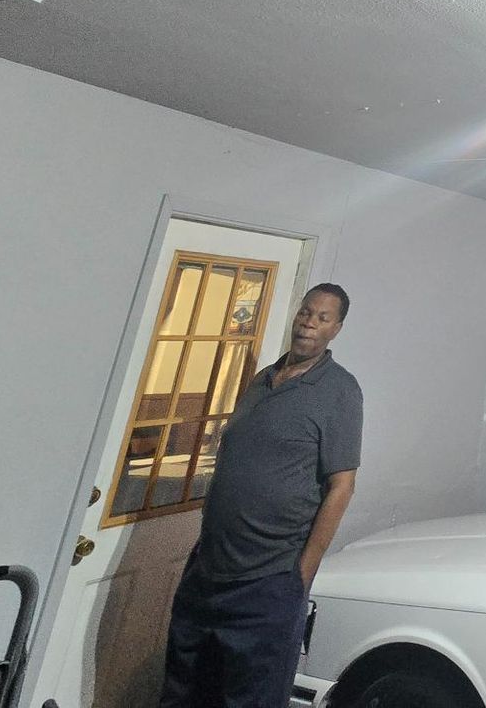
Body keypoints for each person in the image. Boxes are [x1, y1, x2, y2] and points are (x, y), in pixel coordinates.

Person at [159, 283, 363, 708]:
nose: (310, 321)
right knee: (185, 691)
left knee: (248, 699)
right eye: (306, 312)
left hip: (268, 580)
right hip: (208, 571)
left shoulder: (339, 391)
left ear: (336, 329)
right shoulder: (263, 378)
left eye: (323, 317)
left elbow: (341, 485)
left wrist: (301, 574)